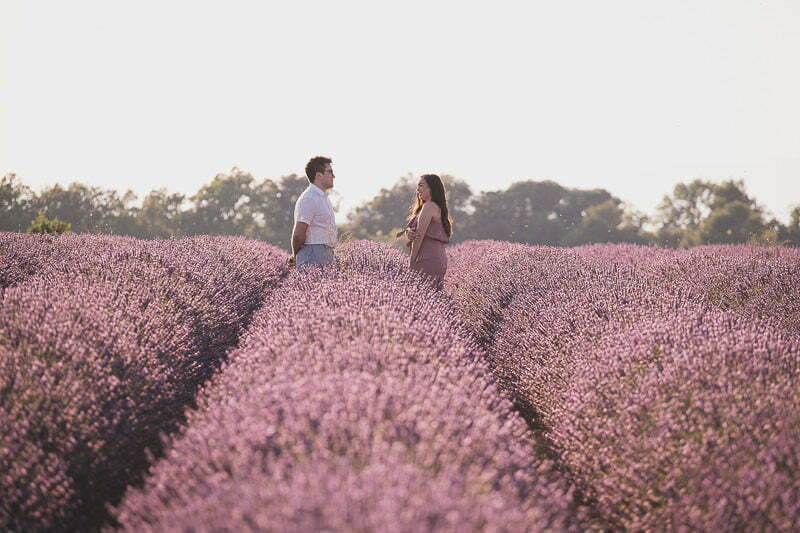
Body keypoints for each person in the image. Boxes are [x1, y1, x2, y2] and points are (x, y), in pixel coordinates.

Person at [400, 174, 452, 286]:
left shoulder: (428, 207)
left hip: (426, 259)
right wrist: (409, 231)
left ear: (431, 188)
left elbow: (419, 237)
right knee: (433, 297)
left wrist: (412, 261)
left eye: (421, 185)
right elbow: (417, 230)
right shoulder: (433, 207)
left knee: (419, 297)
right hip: (436, 258)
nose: (417, 189)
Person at [291, 156, 337, 271]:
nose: (333, 176)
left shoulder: (323, 198)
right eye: (330, 172)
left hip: (325, 253)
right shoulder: (309, 198)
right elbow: (298, 234)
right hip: (312, 254)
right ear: (318, 175)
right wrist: (295, 256)